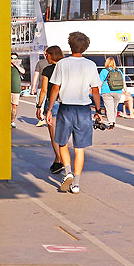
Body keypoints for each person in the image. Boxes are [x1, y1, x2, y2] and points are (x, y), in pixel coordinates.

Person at [45, 32, 102, 194]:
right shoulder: (90, 65)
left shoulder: (62, 64)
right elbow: (95, 90)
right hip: (83, 109)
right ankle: (76, 183)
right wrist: (98, 111)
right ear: (85, 47)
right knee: (80, 148)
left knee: (62, 143)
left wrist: (49, 109)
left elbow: (55, 88)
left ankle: (67, 171)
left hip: (66, 108)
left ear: (70, 45)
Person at [35, 46, 65, 173]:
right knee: (63, 134)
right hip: (67, 103)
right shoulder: (65, 68)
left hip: (52, 104)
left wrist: (39, 106)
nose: (45, 57)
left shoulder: (47, 70)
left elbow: (44, 90)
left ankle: (60, 160)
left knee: (54, 136)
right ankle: (59, 161)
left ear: (51, 55)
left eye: (46, 55)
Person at [32, 50, 51, 127]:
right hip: (51, 87)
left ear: (44, 54)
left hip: (41, 86)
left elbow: (36, 75)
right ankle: (49, 118)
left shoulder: (40, 63)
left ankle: (42, 119)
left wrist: (33, 87)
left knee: (40, 103)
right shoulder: (56, 63)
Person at [10, 53, 25, 128]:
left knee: (14, 106)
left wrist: (16, 65)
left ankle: (12, 121)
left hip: (16, 89)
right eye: (12, 58)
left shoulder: (19, 66)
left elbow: (23, 71)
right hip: (7, 89)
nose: (13, 60)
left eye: (15, 58)